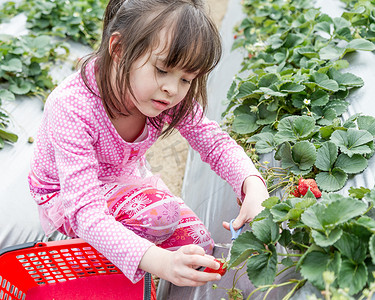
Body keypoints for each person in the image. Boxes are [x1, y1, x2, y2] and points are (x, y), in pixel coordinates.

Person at [28, 0, 269, 287]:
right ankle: (96, 268)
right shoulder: (72, 107)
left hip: (121, 180)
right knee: (159, 216)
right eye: (162, 70)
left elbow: (213, 142)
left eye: (186, 79)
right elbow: (84, 209)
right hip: (67, 197)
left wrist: (252, 184)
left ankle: (122, 253)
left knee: (199, 248)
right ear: (118, 49)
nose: (172, 88)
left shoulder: (163, 97)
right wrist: (160, 261)